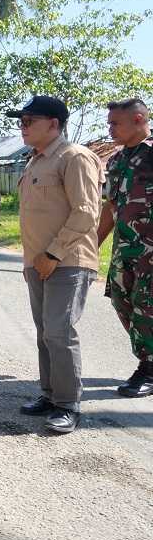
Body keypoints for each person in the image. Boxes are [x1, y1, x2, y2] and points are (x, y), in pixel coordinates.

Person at [7, 95, 102, 434]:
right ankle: (49, 395)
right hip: (38, 262)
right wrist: (36, 260)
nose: (23, 127)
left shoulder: (74, 157)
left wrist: (53, 254)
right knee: (45, 332)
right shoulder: (35, 161)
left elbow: (87, 212)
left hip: (67, 261)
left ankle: (67, 403)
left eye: (29, 120)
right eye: (21, 120)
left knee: (60, 331)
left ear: (54, 124)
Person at [98, 98, 153, 397]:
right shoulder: (116, 161)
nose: (110, 129)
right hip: (125, 249)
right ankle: (148, 359)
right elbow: (110, 206)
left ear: (139, 119)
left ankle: (149, 366)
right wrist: (94, 243)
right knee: (122, 302)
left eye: (115, 123)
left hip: (150, 251)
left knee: (147, 308)